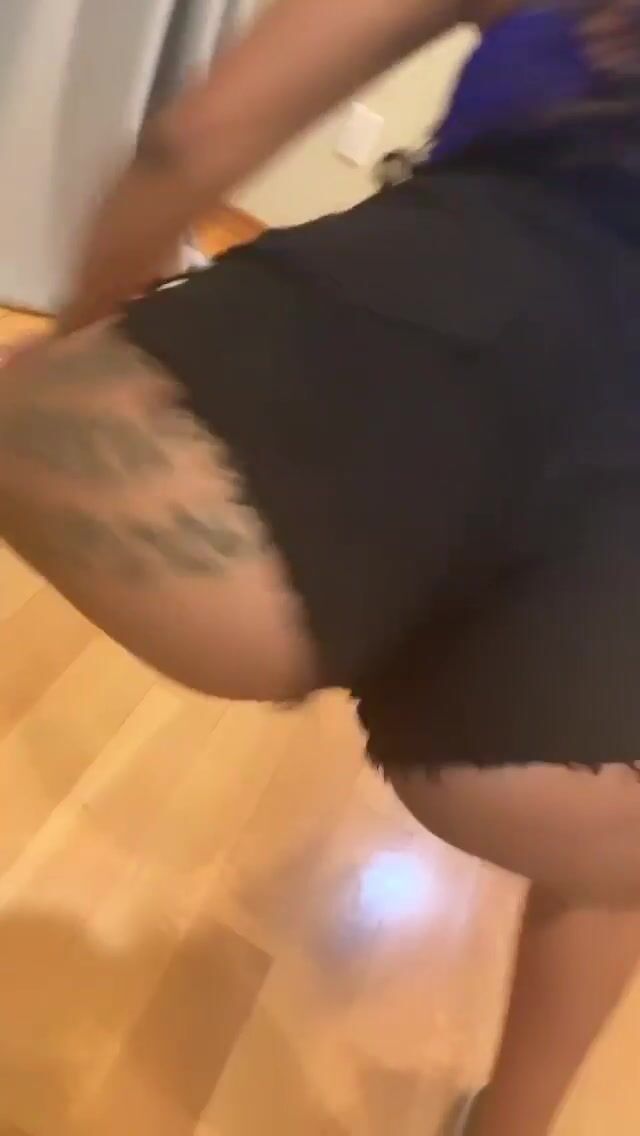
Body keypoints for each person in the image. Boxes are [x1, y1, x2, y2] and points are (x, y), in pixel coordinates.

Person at [2, 0, 640, 1131]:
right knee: (611, 866)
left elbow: (192, 142)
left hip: (368, 384)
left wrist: (90, 335)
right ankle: (514, 1125)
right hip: (598, 575)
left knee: (24, 420)